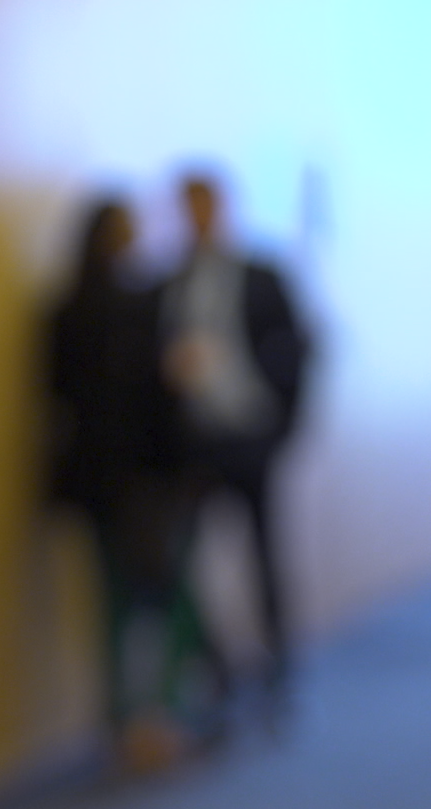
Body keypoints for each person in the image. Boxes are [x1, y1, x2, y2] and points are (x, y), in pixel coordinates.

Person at [48, 198, 214, 770]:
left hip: (99, 480)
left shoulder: (67, 309)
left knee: (116, 604)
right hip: (147, 478)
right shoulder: (143, 307)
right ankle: (160, 715)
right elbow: (166, 396)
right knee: (168, 599)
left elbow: (56, 397)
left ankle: (125, 719)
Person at [158, 170, 307, 698]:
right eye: (187, 209)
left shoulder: (260, 274)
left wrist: (284, 424)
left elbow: (297, 349)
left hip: (251, 430)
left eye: (204, 207)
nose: (196, 219)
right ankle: (212, 661)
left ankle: (278, 659)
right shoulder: (172, 282)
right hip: (200, 437)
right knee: (184, 555)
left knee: (263, 550)